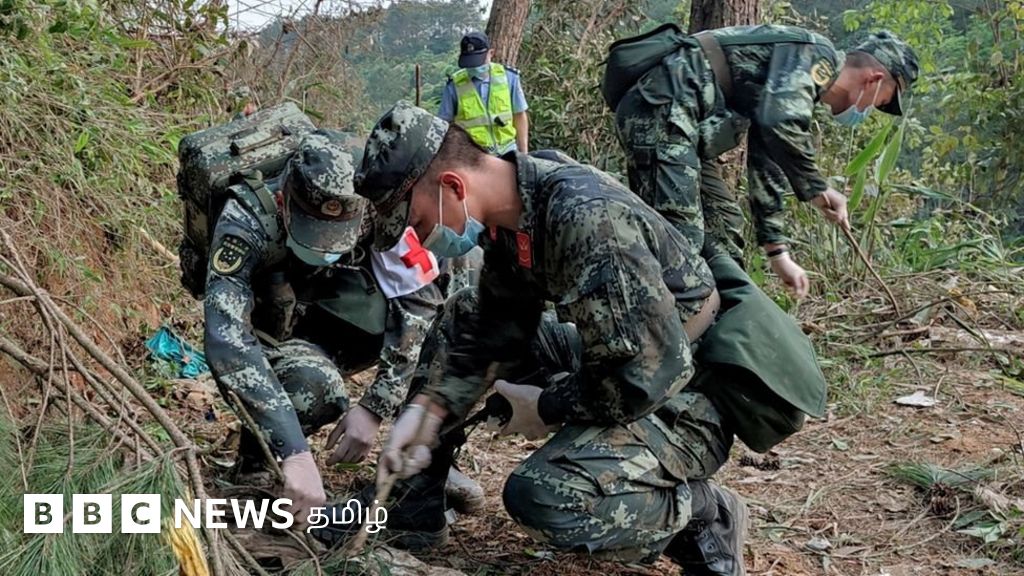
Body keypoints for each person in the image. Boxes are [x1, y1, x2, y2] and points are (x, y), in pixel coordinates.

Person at [312, 102, 827, 576]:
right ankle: (413, 505)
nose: (420, 239)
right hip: (626, 353)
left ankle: (702, 512)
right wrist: (429, 411)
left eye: (416, 220)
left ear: (452, 186)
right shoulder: (515, 212)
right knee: (461, 315)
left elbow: (641, 378)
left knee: (547, 497)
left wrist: (547, 405)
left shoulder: (584, 217)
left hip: (691, 388)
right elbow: (495, 325)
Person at [203, 130, 480, 526]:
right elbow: (227, 340)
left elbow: (418, 304)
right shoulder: (245, 219)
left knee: (462, 302)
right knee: (312, 387)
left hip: (337, 312)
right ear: (284, 203)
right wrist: (294, 451)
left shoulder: (376, 200)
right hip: (274, 327)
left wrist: (375, 408)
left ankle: (422, 467)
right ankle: (258, 459)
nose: (326, 247)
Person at [608, 27, 918, 298]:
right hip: (661, 112)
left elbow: (767, 156)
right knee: (680, 243)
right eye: (882, 101)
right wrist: (818, 188)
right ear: (874, 79)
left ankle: (721, 331)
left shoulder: (799, 84)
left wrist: (777, 252)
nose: (871, 109)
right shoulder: (815, 55)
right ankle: (648, 340)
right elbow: (778, 122)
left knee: (724, 228)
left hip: (681, 126)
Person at [438, 31, 529, 155]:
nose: (474, 67)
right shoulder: (454, 85)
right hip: (472, 156)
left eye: (478, 61)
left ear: (491, 53)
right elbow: (444, 124)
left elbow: (519, 115)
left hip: (507, 151)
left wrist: (524, 153)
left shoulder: (509, 77)